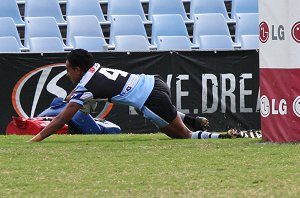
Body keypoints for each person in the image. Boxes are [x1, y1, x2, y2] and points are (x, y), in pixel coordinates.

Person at [29, 49, 260, 142]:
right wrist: (74, 95)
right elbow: (87, 86)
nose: (67, 73)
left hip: (151, 99)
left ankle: (224, 136)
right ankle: (189, 117)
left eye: (68, 69)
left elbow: (61, 119)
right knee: (152, 110)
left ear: (78, 69)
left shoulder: (84, 84)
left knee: (184, 137)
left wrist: (36, 139)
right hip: (153, 83)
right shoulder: (94, 69)